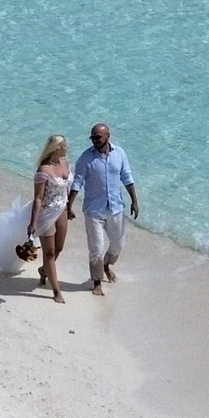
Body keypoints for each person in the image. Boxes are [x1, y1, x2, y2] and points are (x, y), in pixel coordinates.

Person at [71, 122, 138, 297]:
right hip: (94, 211)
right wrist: (69, 205)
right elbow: (77, 182)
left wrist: (134, 201)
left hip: (116, 208)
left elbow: (127, 177)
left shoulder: (120, 153)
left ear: (108, 136)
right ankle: (97, 281)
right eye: (92, 137)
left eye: (98, 137)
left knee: (117, 245)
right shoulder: (85, 158)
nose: (94, 140)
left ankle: (106, 265)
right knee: (96, 248)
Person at [25, 134, 72, 303]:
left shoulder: (65, 163)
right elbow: (38, 198)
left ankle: (44, 271)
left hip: (62, 208)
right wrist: (33, 222)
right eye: (64, 145)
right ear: (57, 148)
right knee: (50, 252)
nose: (67, 148)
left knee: (59, 248)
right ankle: (56, 291)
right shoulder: (43, 171)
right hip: (46, 212)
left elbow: (67, 187)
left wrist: (69, 207)